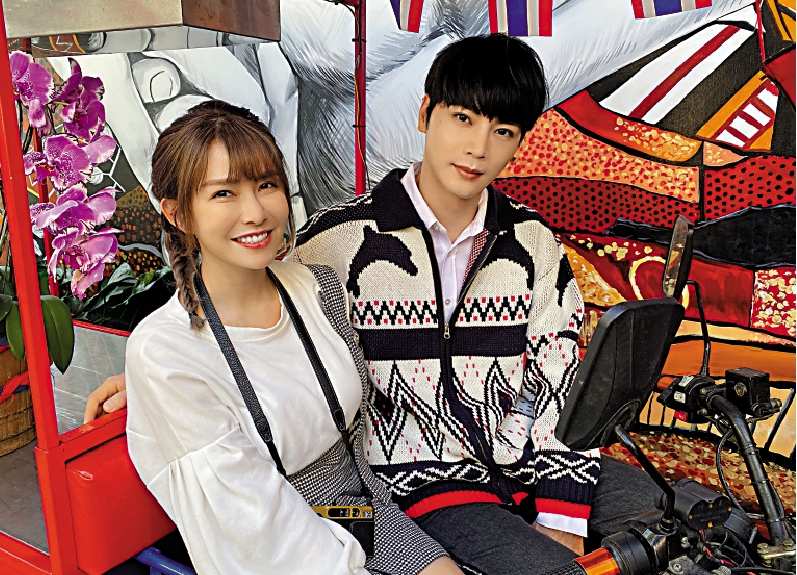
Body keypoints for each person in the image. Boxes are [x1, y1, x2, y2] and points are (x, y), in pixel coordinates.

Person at [88, 35, 662, 575]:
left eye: (503, 130)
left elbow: (560, 379)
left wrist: (562, 512)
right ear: (425, 114)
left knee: (677, 523)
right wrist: (147, 377)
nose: (478, 147)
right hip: (412, 481)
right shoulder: (335, 245)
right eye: (462, 119)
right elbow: (240, 314)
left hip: (526, 459)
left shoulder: (533, 243)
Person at [123, 99, 463, 575]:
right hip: (275, 548)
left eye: (266, 185)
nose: (255, 212)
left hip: (362, 511)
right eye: (224, 193)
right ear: (178, 214)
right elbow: (257, 527)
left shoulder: (316, 287)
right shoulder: (166, 353)